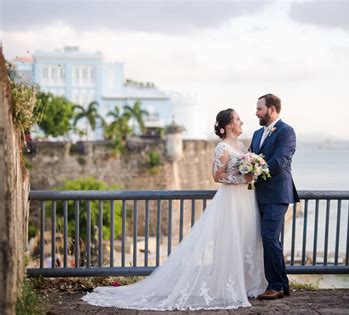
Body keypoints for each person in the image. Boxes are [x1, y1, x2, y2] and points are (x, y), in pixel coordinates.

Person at [82, 109, 267, 311]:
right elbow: (217, 176)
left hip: (246, 199)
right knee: (230, 240)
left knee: (246, 239)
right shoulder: (221, 147)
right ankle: (229, 287)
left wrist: (254, 171)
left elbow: (245, 169)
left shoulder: (241, 145)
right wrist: (243, 179)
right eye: (238, 119)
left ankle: (250, 284)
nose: (242, 122)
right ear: (229, 124)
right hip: (230, 200)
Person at [250, 94, 299, 300]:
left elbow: (280, 160)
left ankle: (275, 285)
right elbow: (252, 156)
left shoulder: (287, 132)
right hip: (258, 195)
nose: (256, 112)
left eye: (259, 109)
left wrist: (255, 171)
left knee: (269, 237)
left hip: (278, 194)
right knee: (270, 239)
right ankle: (284, 284)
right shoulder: (256, 133)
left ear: (272, 109)